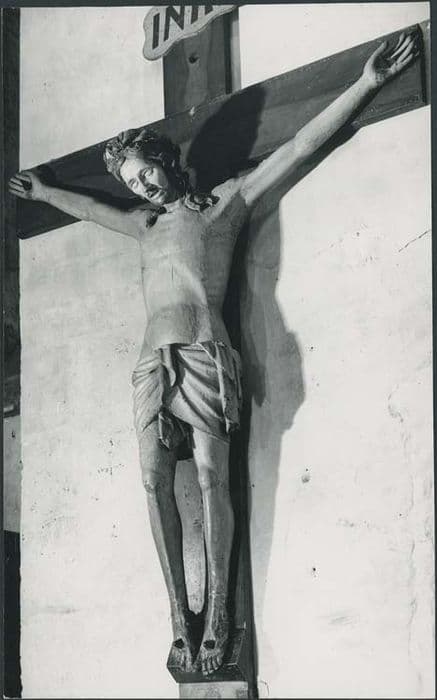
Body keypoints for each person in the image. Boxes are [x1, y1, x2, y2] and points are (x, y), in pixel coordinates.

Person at [9, 32, 417, 676]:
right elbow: (88, 208)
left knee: (208, 478)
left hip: (204, 352)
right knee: (152, 483)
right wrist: (43, 193)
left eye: (146, 172)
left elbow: (298, 147)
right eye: (133, 182)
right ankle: (179, 612)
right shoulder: (143, 225)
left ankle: (219, 608)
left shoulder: (226, 204)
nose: (143, 186)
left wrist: (366, 84)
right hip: (153, 362)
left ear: (166, 161)